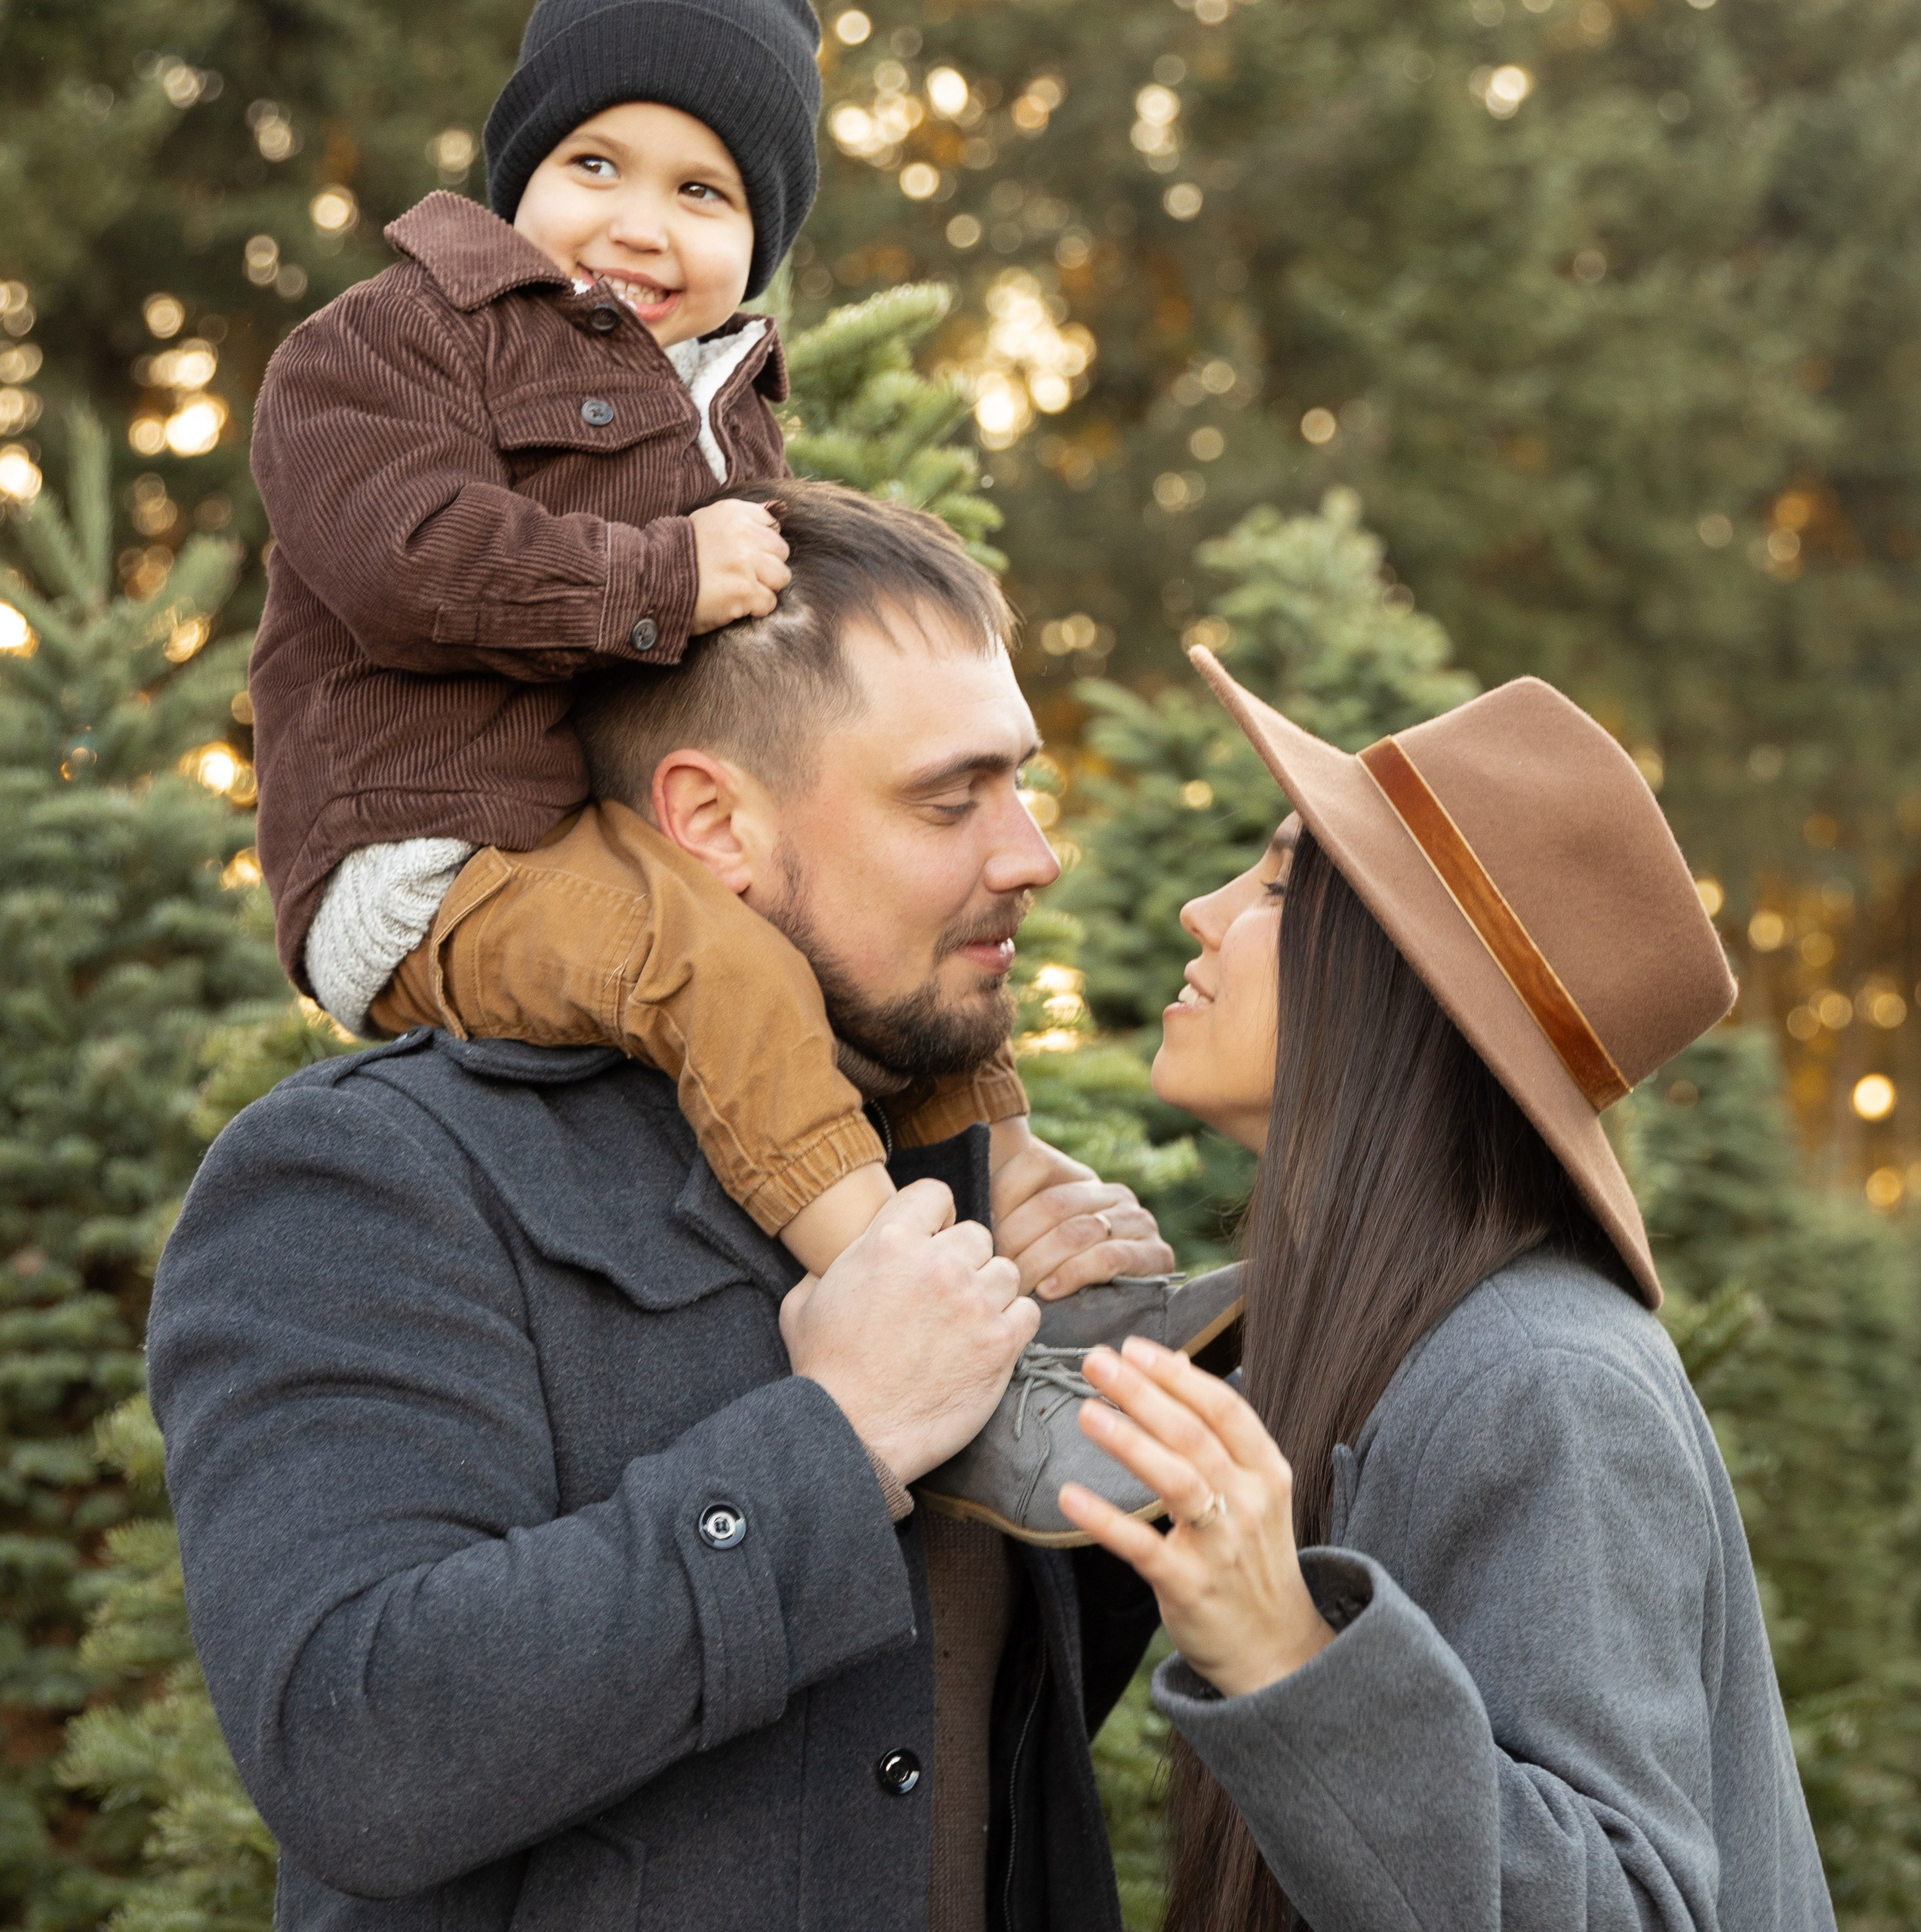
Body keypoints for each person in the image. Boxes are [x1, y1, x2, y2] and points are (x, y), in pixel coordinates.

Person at [148, 485, 1168, 1932]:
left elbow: (957, 1745)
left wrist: (1105, 1434)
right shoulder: (379, 1177)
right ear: (711, 820)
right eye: (953, 799)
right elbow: (354, 1741)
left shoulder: (937, 1178)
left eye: (1022, 784)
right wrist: (844, 1442)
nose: (1030, 855)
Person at [1057, 648, 1836, 1932]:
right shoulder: (1351, 1340)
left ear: (1397, 988)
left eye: (1276, 883)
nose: (1202, 911)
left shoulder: (1545, 1381)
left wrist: (1289, 1663)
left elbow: (1629, 1909)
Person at [246, 0, 1020, 1282]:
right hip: (429, 851)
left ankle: (1020, 1197)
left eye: (703, 192)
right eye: (593, 165)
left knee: (879, 916)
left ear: (758, 238)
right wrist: (666, 572)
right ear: (523, 176)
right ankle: (898, 1287)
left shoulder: (723, 407)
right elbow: (406, 559)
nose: (638, 223)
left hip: (603, 818)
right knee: (707, 962)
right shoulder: (395, 338)